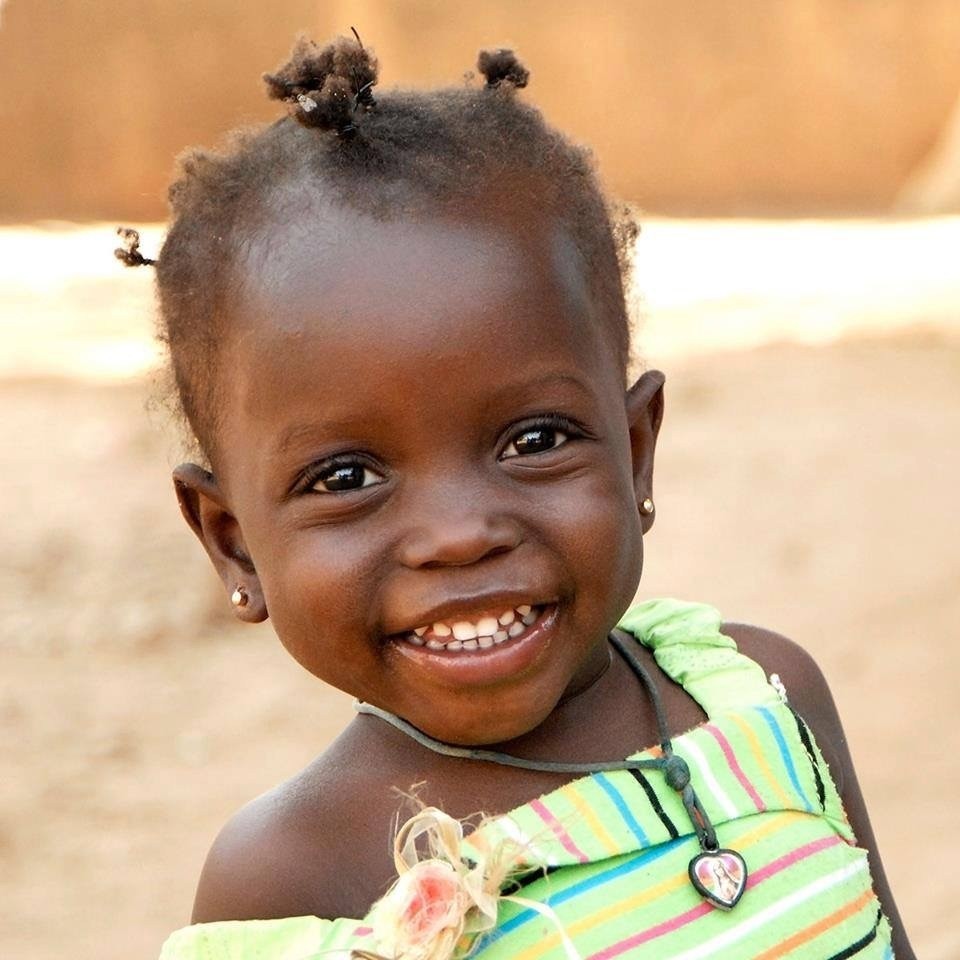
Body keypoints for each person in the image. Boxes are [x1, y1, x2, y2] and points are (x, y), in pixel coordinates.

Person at [119, 32, 915, 960]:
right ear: (233, 542)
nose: (460, 535)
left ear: (637, 450)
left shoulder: (763, 696)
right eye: (346, 478)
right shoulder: (291, 880)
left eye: (534, 441)